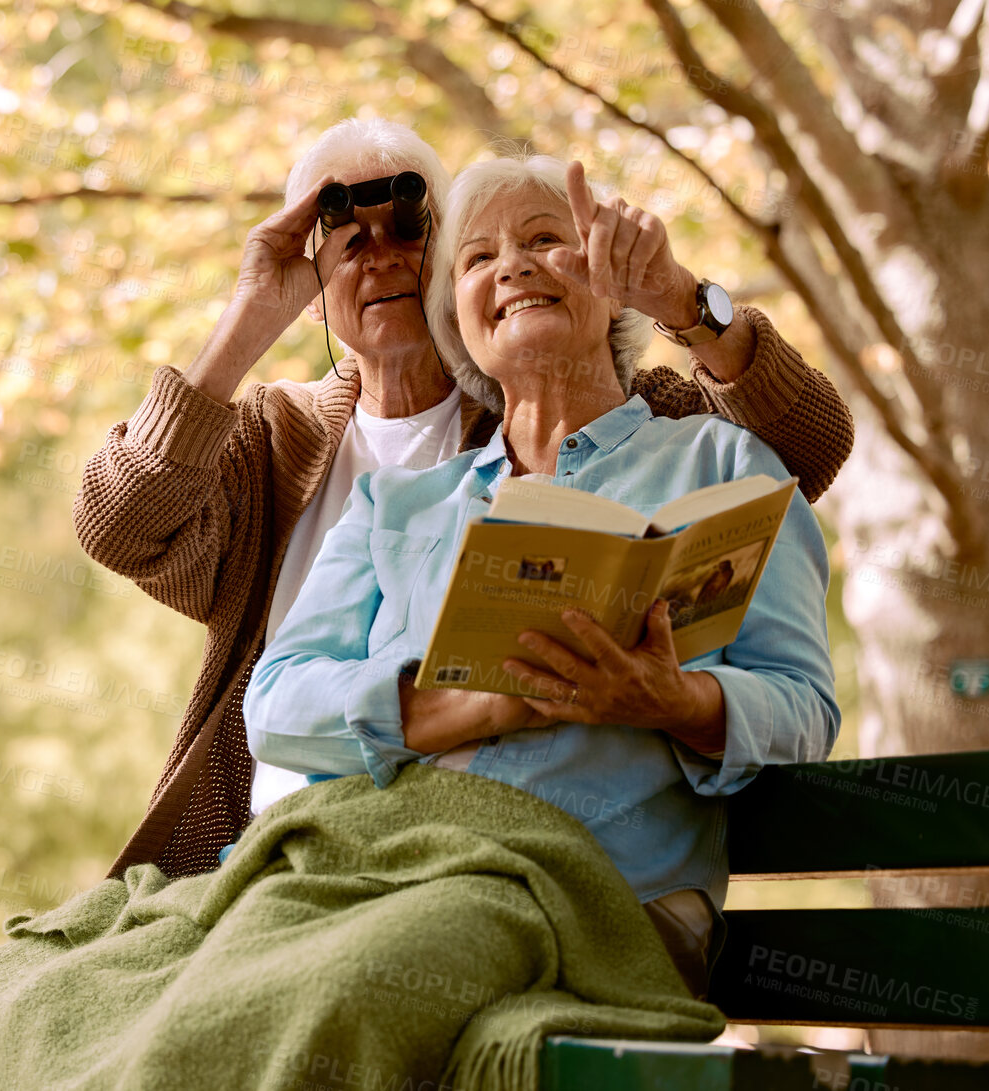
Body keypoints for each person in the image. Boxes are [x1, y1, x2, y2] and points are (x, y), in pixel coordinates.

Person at [73, 116, 852, 909]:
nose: (380, 254)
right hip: (294, 853)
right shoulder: (289, 448)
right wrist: (249, 317)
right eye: (344, 234)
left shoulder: (661, 433)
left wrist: (682, 300)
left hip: (505, 883)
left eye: (411, 228)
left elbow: (806, 445)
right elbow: (121, 526)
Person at [243, 153, 842, 998]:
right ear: (458, 317)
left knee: (353, 976)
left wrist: (671, 704)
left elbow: (803, 708)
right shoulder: (397, 504)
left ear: (609, 286)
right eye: (477, 258)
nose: (512, 265)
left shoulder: (719, 462)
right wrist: (466, 705)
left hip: (607, 905)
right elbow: (274, 703)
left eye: (543, 239)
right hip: (390, 870)